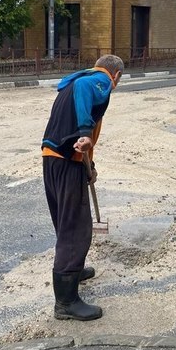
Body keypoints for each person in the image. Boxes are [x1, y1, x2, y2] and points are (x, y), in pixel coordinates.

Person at [41, 54, 124, 321]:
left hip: (54, 159)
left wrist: (90, 165)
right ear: (117, 75)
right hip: (66, 162)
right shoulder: (98, 80)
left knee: (66, 225)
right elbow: (84, 93)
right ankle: (66, 302)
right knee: (76, 230)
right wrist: (85, 132)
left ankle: (73, 271)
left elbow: (79, 116)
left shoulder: (77, 78)